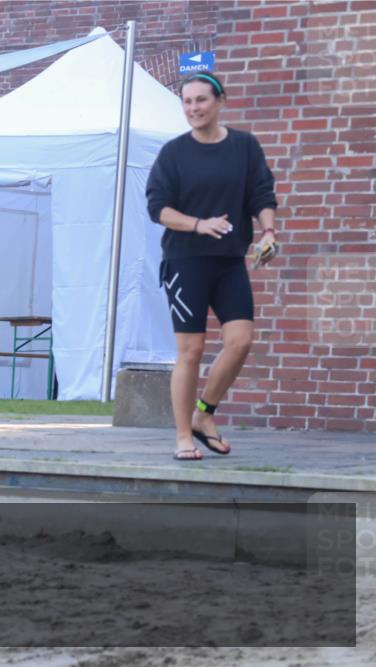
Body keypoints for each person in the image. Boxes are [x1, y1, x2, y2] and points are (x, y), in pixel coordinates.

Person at [145, 72, 278, 461]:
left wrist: (268, 231)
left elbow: (261, 192)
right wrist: (199, 224)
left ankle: (205, 414)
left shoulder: (245, 146)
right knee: (192, 349)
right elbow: (159, 209)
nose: (193, 109)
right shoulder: (173, 153)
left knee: (240, 342)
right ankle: (184, 435)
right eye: (187, 102)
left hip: (229, 261)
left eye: (201, 100)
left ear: (221, 101)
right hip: (185, 260)